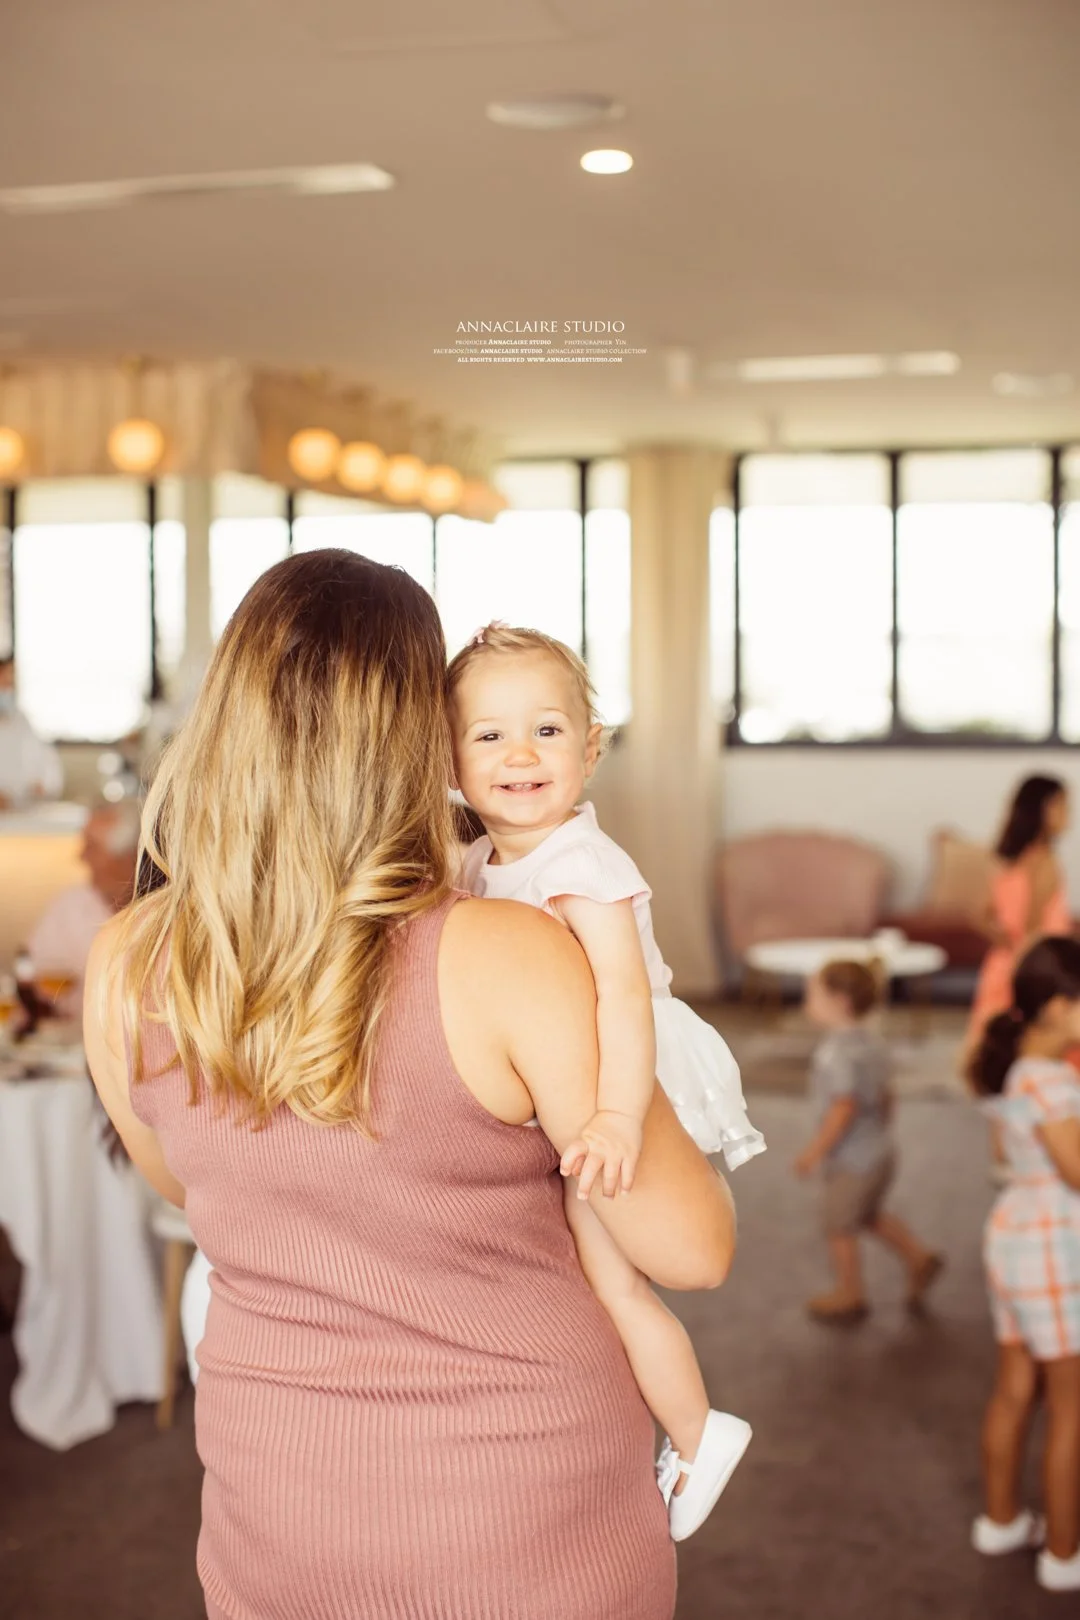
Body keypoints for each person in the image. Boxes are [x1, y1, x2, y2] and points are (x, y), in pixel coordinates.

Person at [82, 551, 736, 1620]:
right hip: (519, 1518)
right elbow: (692, 1247)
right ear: (419, 738)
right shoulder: (509, 949)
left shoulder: (128, 961)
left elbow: (188, 1188)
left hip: (274, 1508)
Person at [448, 622, 760, 1543]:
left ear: (590, 748)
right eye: (489, 735)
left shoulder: (581, 865)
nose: (519, 755)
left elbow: (623, 997)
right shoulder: (479, 859)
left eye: (548, 731)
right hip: (567, 1068)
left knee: (616, 1280)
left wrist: (621, 1118)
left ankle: (701, 1432)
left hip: (628, 1069)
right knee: (581, 1274)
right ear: (450, 758)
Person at [969, 936, 1080, 1593]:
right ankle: (1064, 1556)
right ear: (1062, 1007)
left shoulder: (1015, 1069)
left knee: (1015, 1389)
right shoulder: (1057, 1080)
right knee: (1071, 1407)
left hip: (1014, 1235)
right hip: (1055, 1248)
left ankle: (1002, 1520)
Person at [794, 960, 943, 1323]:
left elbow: (843, 1108)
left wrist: (814, 1153)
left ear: (840, 1001)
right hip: (879, 1151)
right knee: (867, 1215)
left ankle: (850, 1292)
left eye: (813, 994)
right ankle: (918, 1258)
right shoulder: (873, 1044)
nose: (805, 1002)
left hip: (853, 1161)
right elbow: (886, 1097)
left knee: (837, 1224)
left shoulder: (835, 1054)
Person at [967, 776, 1071, 1058]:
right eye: (1061, 806)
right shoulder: (1044, 861)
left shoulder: (1009, 859)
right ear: (1040, 810)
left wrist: (1005, 941)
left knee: (991, 1046)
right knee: (1028, 1042)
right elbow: (1033, 928)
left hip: (1002, 962)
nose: (1068, 815)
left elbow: (979, 915)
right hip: (1034, 967)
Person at [26, 799, 140, 1019]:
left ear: (129, 856)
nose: (80, 857)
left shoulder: (162, 913)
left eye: (92, 847)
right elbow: (30, 978)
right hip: (72, 1045)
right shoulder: (71, 905)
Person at [0, 655, 63, 809]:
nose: (7, 691)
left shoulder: (21, 721)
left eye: (10, 684)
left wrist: (43, 785)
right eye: (3, 684)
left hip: (21, 815)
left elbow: (49, 769)